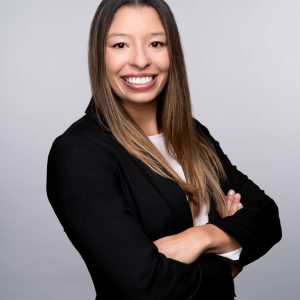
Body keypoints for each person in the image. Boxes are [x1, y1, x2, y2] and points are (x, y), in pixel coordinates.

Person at [46, 0, 282, 299]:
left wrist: (202, 237)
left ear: (173, 54)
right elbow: (144, 284)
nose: (141, 60)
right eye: (120, 45)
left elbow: (267, 217)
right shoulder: (79, 154)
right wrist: (227, 263)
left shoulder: (193, 135)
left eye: (156, 43)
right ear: (99, 56)